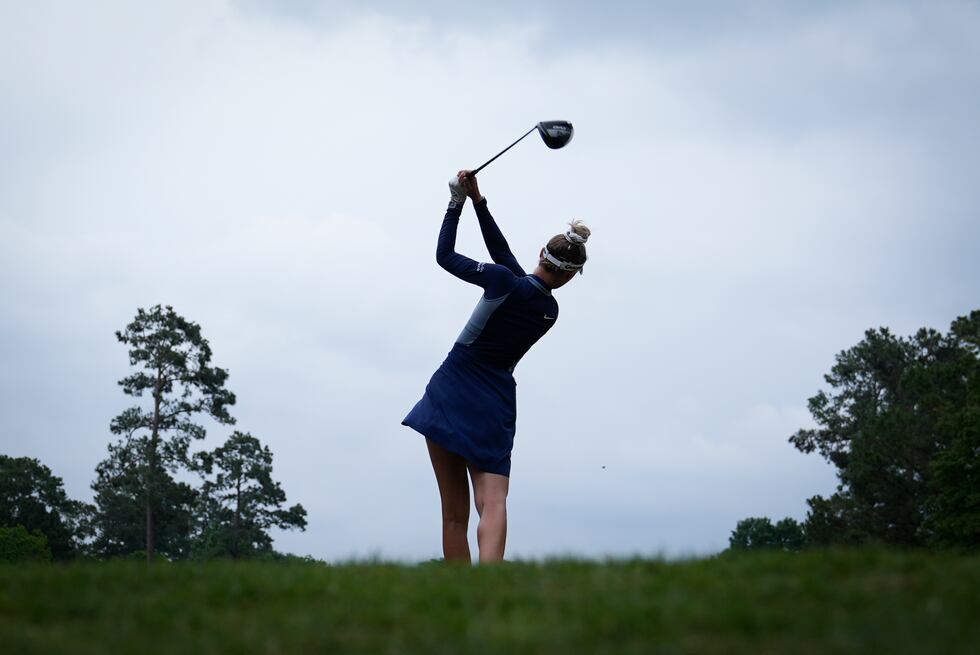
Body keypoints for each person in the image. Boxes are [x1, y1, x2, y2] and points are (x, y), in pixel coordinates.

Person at [402, 170, 591, 562]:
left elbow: (446, 257)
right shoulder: (548, 311)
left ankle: (461, 598)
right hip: (494, 403)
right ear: (572, 275)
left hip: (451, 389)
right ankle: (491, 586)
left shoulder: (504, 281)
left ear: (541, 253)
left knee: (453, 516)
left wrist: (456, 204)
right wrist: (479, 202)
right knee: (493, 502)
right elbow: (507, 260)